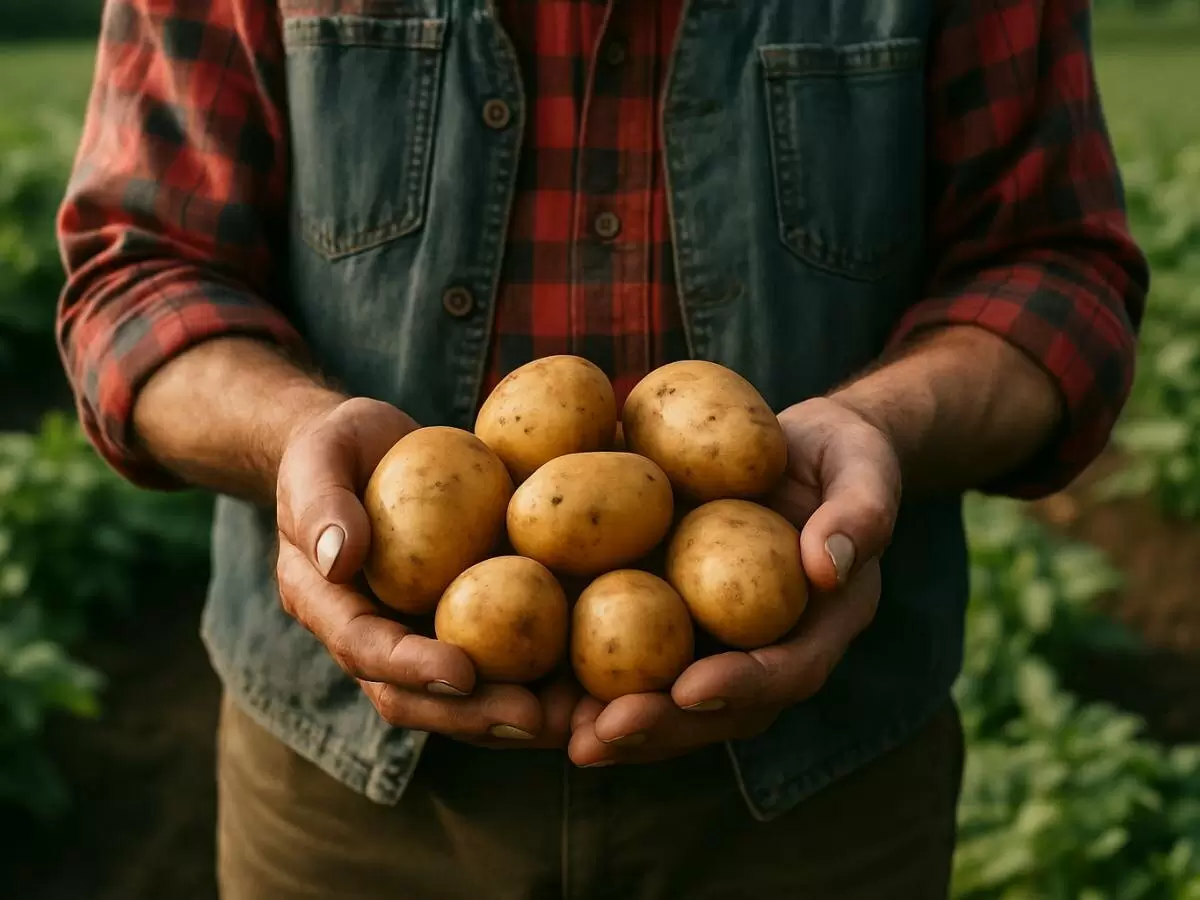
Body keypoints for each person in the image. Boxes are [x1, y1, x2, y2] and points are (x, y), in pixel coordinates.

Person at [56, 0, 1147, 896]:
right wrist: (295, 439)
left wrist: (883, 430)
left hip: (824, 793)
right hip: (349, 804)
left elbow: (1053, 266)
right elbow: (136, 272)